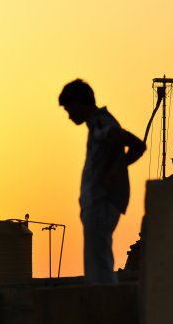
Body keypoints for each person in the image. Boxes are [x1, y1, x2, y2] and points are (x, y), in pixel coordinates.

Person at [59, 79, 146, 284]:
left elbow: (132, 143)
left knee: (99, 264)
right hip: (97, 202)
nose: (69, 116)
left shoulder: (101, 123)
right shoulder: (97, 125)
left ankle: (105, 305)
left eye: (69, 108)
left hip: (101, 201)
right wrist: (116, 167)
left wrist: (114, 170)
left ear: (79, 103)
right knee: (98, 260)